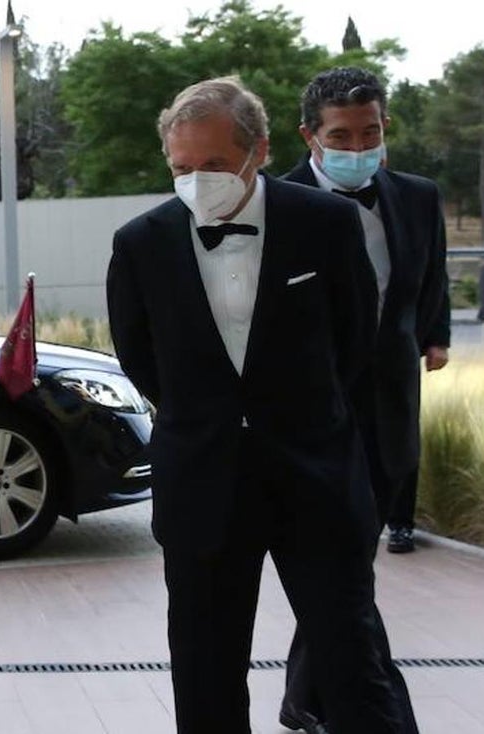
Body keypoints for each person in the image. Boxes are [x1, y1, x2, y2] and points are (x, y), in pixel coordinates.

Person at [106, 76, 406, 733]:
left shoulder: (325, 223)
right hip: (203, 483)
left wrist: (293, 409)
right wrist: (213, 415)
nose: (196, 182)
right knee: (205, 672)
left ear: (259, 150)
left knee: (352, 662)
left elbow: (356, 338)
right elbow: (141, 357)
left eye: (213, 166)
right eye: (182, 168)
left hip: (316, 476)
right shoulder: (140, 244)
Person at [280, 66, 451, 734]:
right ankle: (382, 713)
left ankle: (303, 699)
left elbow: (427, 275)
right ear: (310, 136)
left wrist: (433, 335)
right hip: (310, 424)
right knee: (342, 576)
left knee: (344, 573)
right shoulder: (276, 201)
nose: (360, 147)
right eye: (343, 135)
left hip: (387, 416)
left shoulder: (417, 195)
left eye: (371, 132)